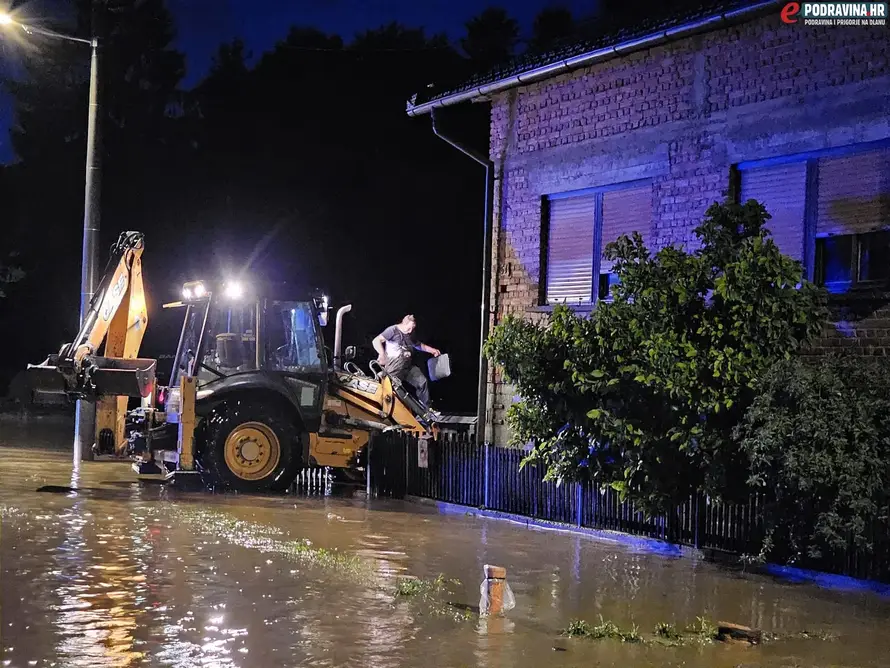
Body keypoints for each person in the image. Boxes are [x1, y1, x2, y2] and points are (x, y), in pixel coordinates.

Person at [372, 314, 440, 409]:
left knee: (422, 382)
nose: (410, 331)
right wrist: (382, 354)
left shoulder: (411, 334)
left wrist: (432, 350)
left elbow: (418, 345)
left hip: (407, 367)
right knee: (392, 391)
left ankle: (427, 410)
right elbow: (376, 341)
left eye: (412, 328)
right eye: (409, 328)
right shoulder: (392, 330)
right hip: (394, 367)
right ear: (404, 323)